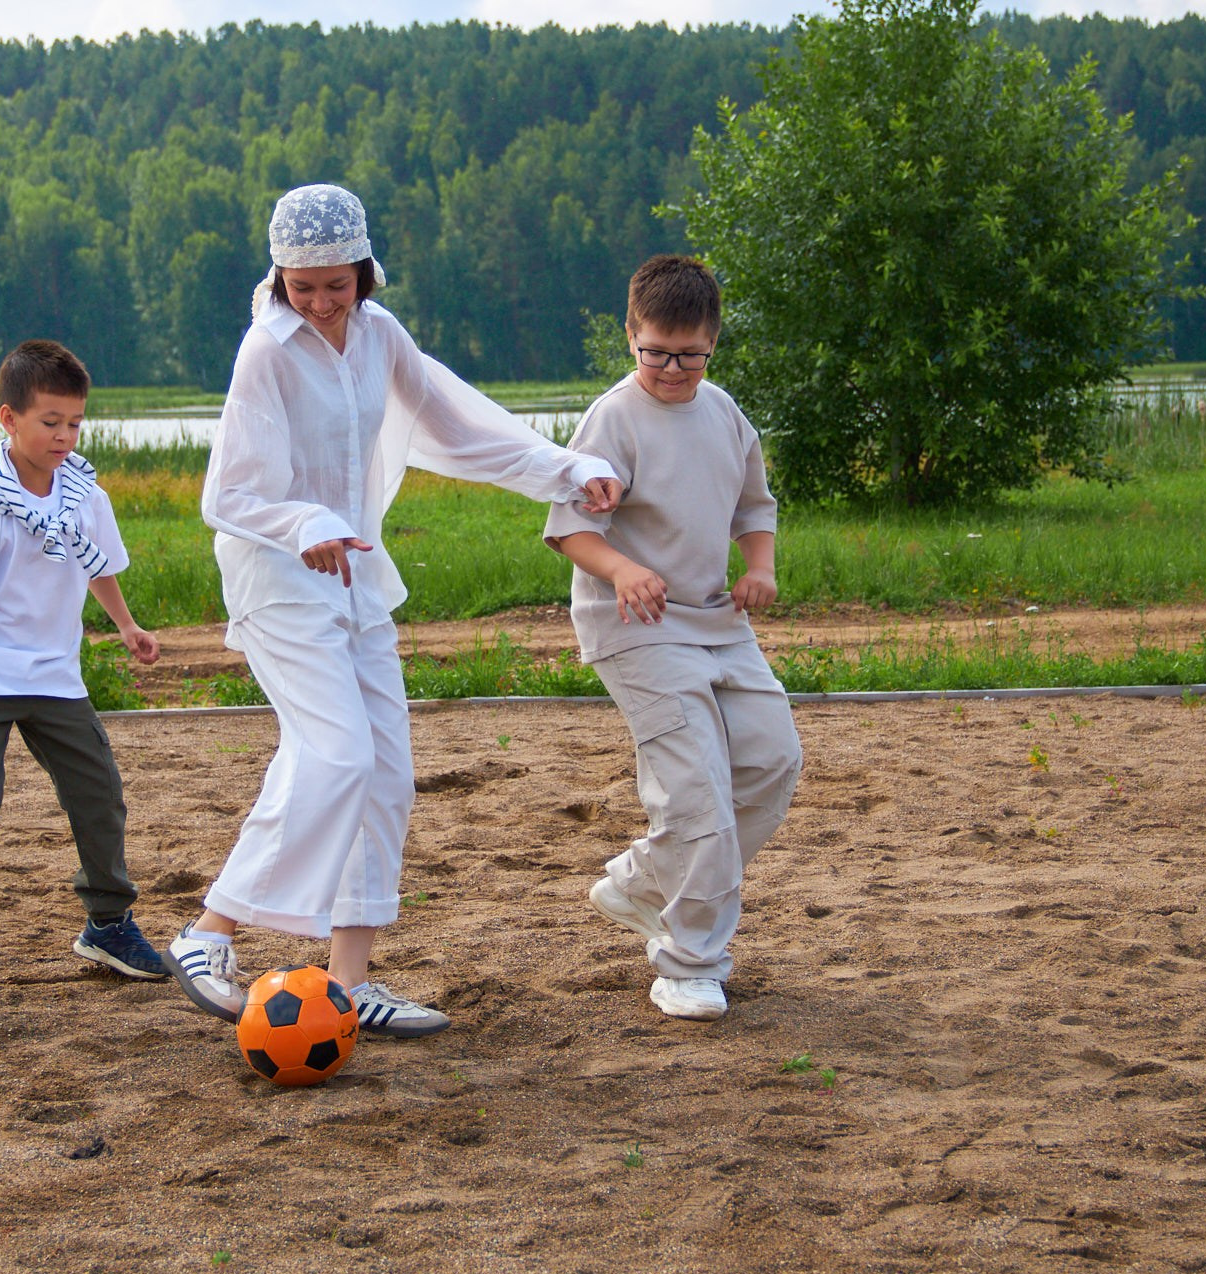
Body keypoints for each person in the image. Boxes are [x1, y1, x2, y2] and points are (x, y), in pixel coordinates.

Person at [169, 183, 623, 1037]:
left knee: (383, 773)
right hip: (276, 578)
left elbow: (458, 424)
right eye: (301, 286)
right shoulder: (264, 351)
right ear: (278, 277)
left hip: (357, 581)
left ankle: (346, 984)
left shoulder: (381, 336)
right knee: (334, 753)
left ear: (365, 270)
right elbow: (227, 492)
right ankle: (209, 930)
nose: (319, 301)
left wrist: (567, 469)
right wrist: (304, 520)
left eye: (335, 284)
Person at [544, 255, 802, 1022]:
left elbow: (756, 507)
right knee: (696, 793)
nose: (672, 369)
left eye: (691, 356)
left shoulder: (725, 414)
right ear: (632, 335)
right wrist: (623, 570)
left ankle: (646, 879)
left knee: (771, 761)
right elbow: (568, 528)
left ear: (714, 345)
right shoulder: (613, 418)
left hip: (719, 621)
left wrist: (761, 569)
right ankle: (689, 961)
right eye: (656, 351)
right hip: (636, 628)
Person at [0, 339, 166, 1004]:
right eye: (49, 422)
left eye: (75, 422)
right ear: (9, 418)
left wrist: (126, 624)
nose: (63, 435)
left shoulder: (79, 488)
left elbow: (95, 561)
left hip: (53, 673)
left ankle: (108, 923)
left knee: (99, 790)